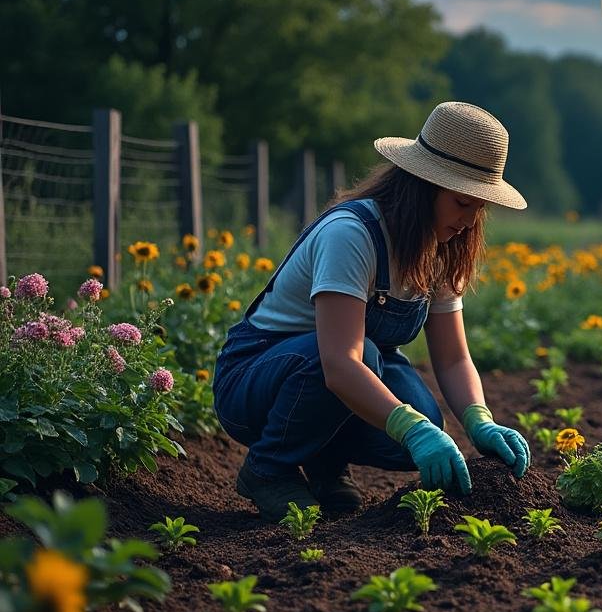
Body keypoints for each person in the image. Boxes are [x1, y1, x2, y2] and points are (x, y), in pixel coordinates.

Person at [212, 102, 532, 521]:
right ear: (423, 185)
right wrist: (411, 428)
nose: (470, 222)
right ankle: (268, 469)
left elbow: (453, 358)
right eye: (461, 203)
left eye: (479, 208)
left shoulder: (442, 248)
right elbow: (340, 365)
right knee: (370, 365)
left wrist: (479, 421)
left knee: (424, 415)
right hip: (256, 378)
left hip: (343, 368)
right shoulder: (352, 235)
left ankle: (324, 464)